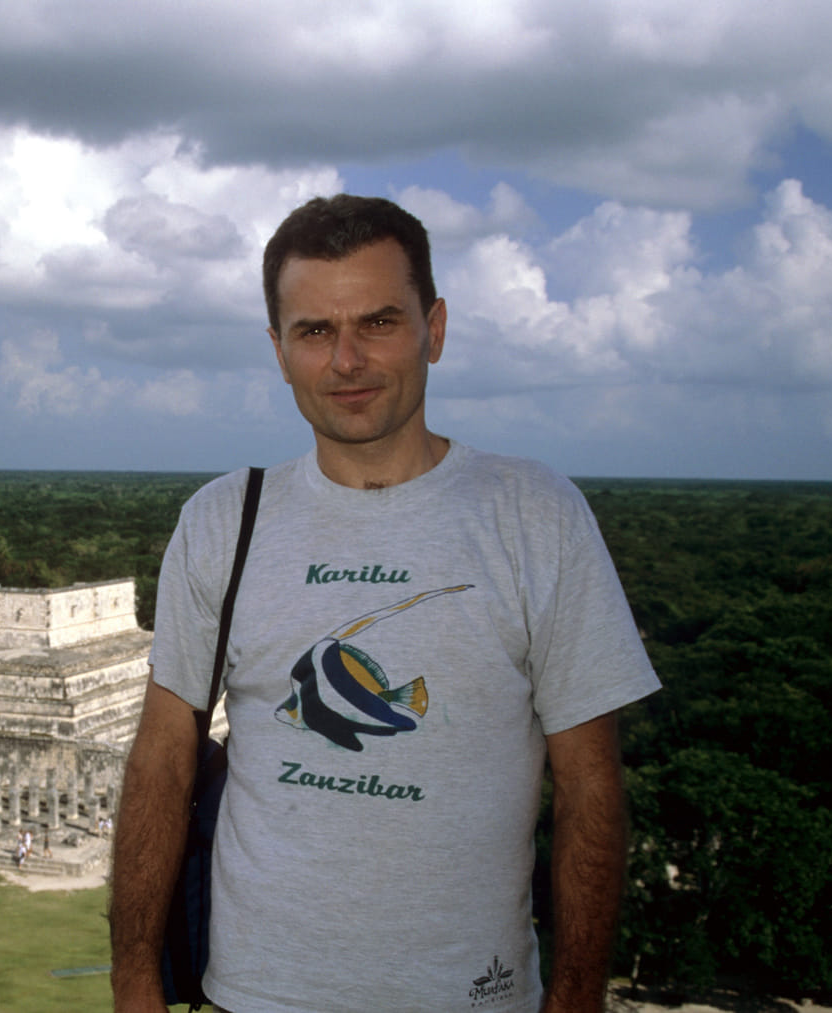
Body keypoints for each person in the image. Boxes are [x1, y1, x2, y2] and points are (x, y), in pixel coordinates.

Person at [109, 195, 660, 1013]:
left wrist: (577, 996)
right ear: (279, 349)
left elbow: (590, 783)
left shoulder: (531, 512)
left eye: (379, 322)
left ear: (434, 329)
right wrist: (133, 981)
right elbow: (163, 758)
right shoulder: (225, 518)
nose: (347, 361)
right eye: (315, 331)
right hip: (253, 993)